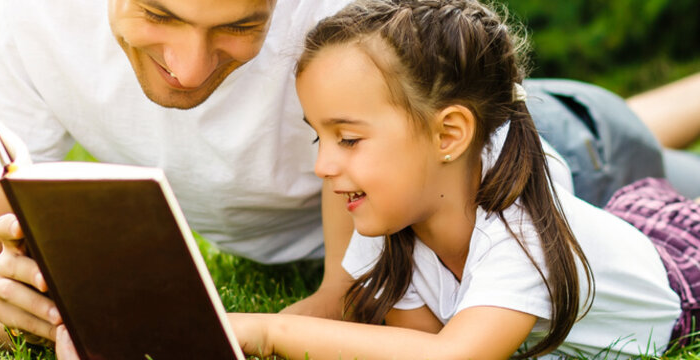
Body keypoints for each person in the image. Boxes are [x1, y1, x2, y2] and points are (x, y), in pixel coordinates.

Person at [0, 0, 700, 352]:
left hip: (525, 160)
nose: (189, 70)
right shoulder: (32, 26)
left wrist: (246, 335)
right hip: (414, 203)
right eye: (158, 15)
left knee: (645, 155)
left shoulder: (361, 37)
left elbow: (348, 313)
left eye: (238, 27)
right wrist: (51, 318)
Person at [221, 0, 698, 358]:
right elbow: (418, 345)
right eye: (317, 139)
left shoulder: (520, 232)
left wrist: (266, 331)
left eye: (347, 139)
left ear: (449, 134)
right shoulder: (388, 219)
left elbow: (453, 356)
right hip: (618, 224)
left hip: (680, 272)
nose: (322, 167)